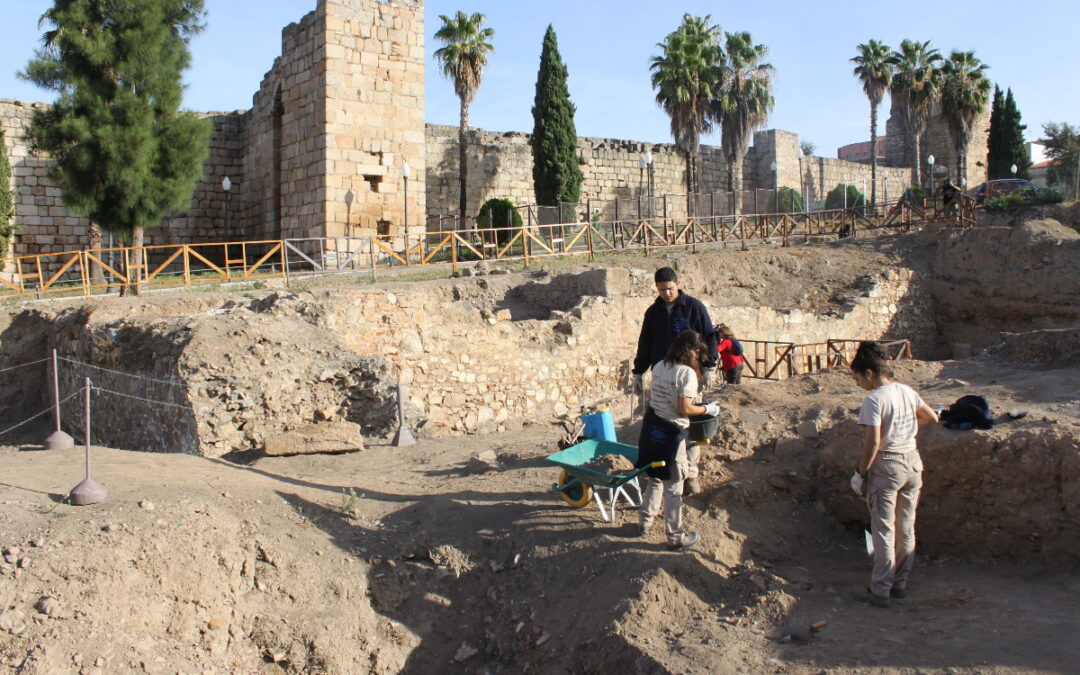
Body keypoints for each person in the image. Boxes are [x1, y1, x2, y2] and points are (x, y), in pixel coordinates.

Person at [849, 341, 939, 609]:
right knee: (906, 526)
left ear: (868, 373)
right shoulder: (907, 391)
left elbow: (873, 443)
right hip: (912, 462)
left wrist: (860, 472)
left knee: (884, 531)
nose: (857, 384)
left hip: (887, 466)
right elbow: (931, 417)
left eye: (857, 378)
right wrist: (905, 425)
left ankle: (880, 590)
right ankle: (900, 584)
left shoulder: (874, 400)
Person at [632, 267, 718, 495]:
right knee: (662, 421)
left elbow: (709, 335)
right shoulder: (653, 313)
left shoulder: (694, 307)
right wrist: (638, 372)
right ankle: (664, 466)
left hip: (690, 373)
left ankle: (690, 474)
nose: (667, 293)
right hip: (662, 373)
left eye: (670, 288)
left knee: (688, 420)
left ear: (678, 284)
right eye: (662, 290)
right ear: (657, 288)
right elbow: (645, 343)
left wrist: (709, 365)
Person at [635, 330, 718, 550]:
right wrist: (707, 408)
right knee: (673, 485)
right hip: (671, 433)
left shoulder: (661, 365)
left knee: (654, 476)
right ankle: (675, 537)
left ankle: (644, 522)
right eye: (697, 353)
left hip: (652, 428)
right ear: (689, 351)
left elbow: (655, 397)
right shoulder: (686, 373)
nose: (698, 358)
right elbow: (684, 408)